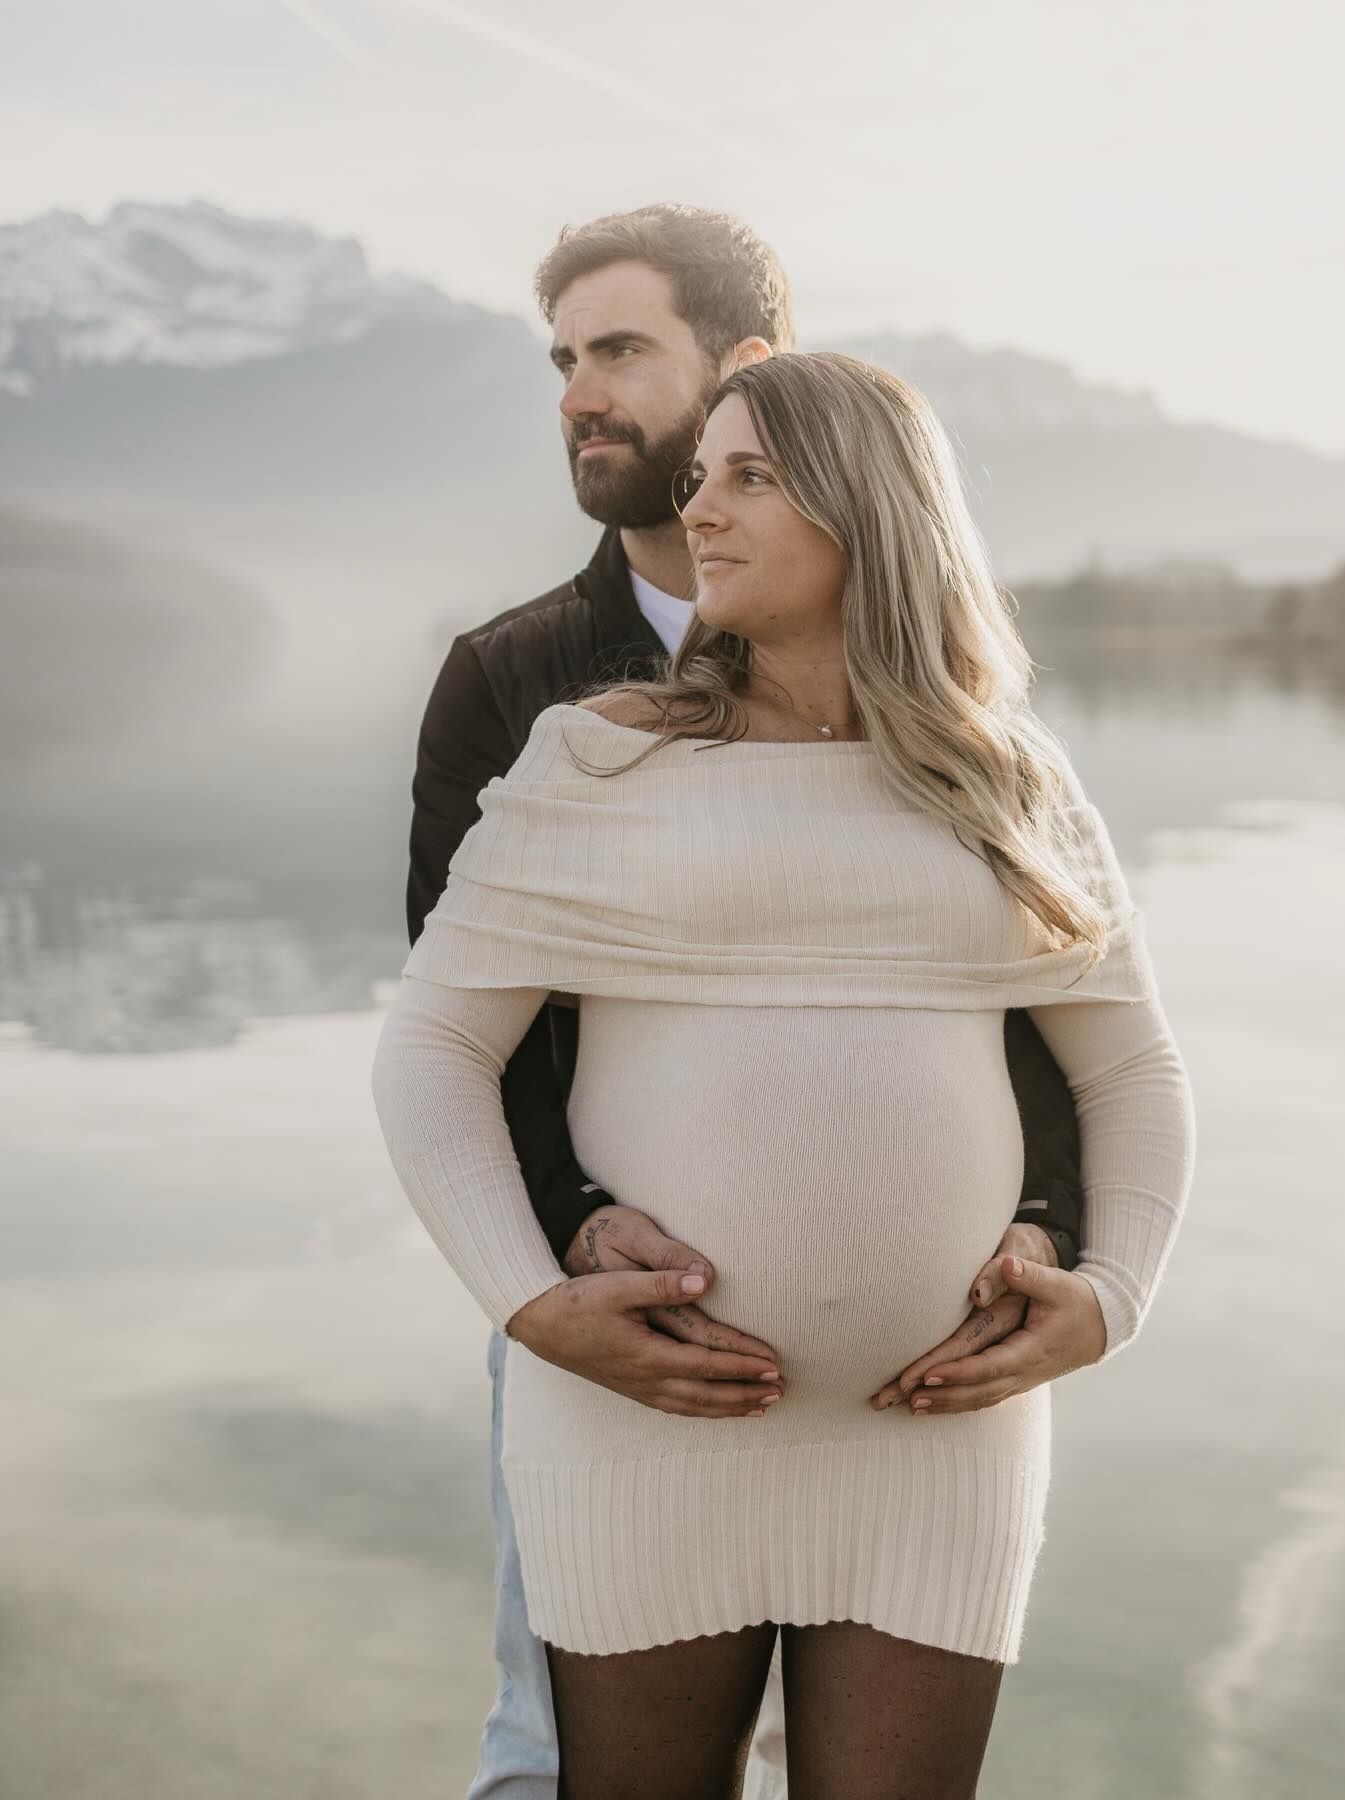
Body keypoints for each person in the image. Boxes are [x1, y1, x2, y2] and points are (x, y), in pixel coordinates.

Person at [376, 347, 1198, 1798]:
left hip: (942, 1433)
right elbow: (435, 1050)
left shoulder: (1005, 781)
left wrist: (1111, 1297)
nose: (701, 510)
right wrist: (533, 1307)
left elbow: (1130, 1068)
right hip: (646, 1421)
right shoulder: (599, 762)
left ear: (871, 506)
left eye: (751, 475)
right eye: (699, 481)